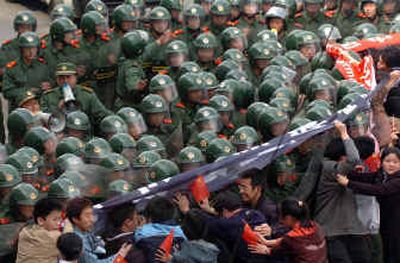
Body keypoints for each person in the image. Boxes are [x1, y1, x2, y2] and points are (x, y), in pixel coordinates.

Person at [337, 147, 400, 263]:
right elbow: (366, 178)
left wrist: (348, 183)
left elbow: (379, 190)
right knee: (386, 250)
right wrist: (346, 170)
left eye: (395, 162)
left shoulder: (397, 180)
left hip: (396, 223)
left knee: (394, 252)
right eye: (387, 161)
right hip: (386, 221)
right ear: (381, 162)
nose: (391, 165)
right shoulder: (381, 174)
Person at [248, 198, 328, 263]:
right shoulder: (315, 226)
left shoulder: (292, 237)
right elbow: (286, 240)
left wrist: (267, 250)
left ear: (288, 218)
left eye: (281, 217)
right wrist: (266, 242)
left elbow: (276, 251)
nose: (280, 221)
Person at [66, 197, 132, 262]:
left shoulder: (86, 231)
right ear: (75, 219)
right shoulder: (78, 241)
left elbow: (98, 244)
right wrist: (120, 255)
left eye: (92, 214)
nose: (92, 220)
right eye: (87, 216)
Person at [134, 196, 187, 263]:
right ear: (172, 213)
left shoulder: (141, 235)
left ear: (149, 218)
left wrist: (140, 228)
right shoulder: (184, 233)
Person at [16, 198, 63, 263]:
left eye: (60, 218)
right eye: (55, 219)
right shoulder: (53, 237)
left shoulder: (25, 231)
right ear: (41, 220)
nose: (59, 223)